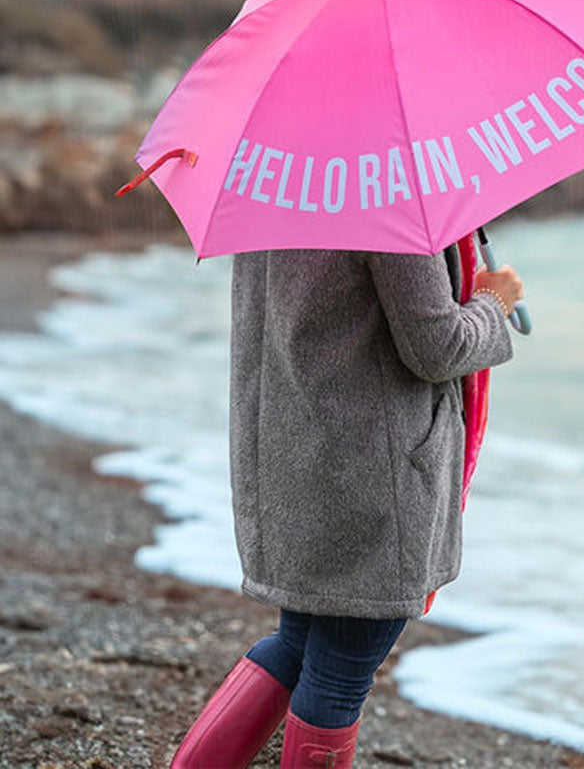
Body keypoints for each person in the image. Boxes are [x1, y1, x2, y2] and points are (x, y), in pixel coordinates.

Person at [170, 240, 524, 768]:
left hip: (294, 457)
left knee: (298, 645)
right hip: (367, 477)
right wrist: (493, 304)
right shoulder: (388, 209)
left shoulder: (279, 195)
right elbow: (438, 348)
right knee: (338, 672)